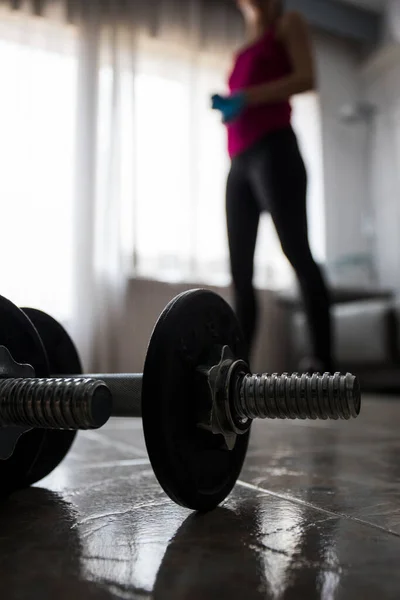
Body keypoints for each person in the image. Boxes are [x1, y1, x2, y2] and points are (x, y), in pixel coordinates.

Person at [211, 0, 332, 372]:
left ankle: (323, 362)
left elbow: (306, 78)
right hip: (240, 160)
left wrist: (247, 97)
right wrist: (231, 105)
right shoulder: (245, 44)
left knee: (297, 252)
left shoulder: (287, 24)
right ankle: (236, 374)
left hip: (275, 151)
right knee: (240, 274)